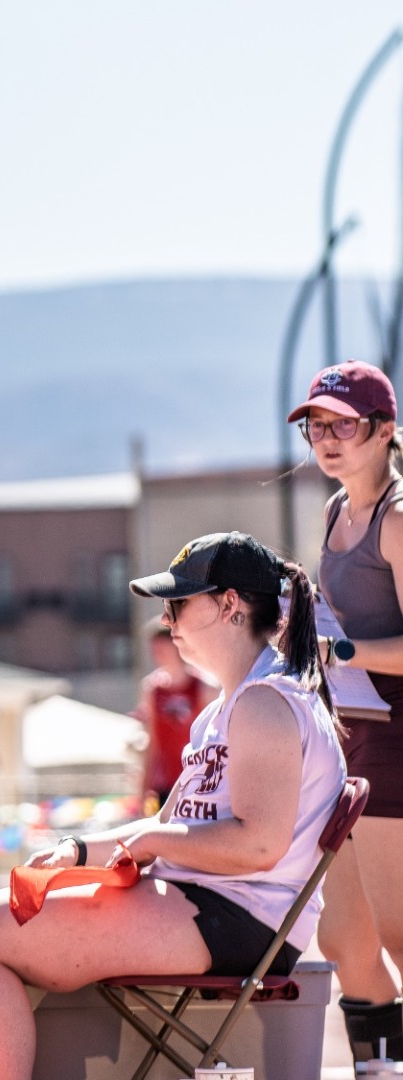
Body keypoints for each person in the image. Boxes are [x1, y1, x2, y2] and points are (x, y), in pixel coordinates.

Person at [0, 531, 346, 1080]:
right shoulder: (232, 705)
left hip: (237, 915)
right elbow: (169, 823)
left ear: (229, 605)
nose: (168, 622)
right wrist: (79, 848)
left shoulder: (266, 703)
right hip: (210, 904)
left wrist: (152, 843)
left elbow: (259, 844)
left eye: (178, 604)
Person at [291, 360, 403, 1061]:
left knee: (398, 932)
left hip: (396, 740)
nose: (327, 440)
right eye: (315, 427)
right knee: (345, 941)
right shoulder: (337, 510)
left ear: (385, 431)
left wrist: (344, 652)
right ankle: (380, 1069)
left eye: (344, 425)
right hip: (350, 736)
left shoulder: (397, 518)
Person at [134, 617, 215, 813]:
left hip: (197, 780)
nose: (156, 653)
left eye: (161, 647)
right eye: (154, 648)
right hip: (166, 784)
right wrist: (143, 788)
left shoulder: (203, 686)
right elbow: (151, 740)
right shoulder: (153, 689)